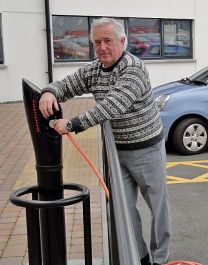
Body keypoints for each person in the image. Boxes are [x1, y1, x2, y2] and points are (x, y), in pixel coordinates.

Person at [39, 17, 170, 265]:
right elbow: (67, 84)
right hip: (116, 153)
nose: (102, 48)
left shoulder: (134, 69)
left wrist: (71, 124)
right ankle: (140, 258)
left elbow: (112, 106)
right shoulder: (95, 70)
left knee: (158, 208)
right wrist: (49, 92)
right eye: (97, 42)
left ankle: (160, 259)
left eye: (108, 41)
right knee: (123, 210)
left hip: (147, 149)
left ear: (122, 41)